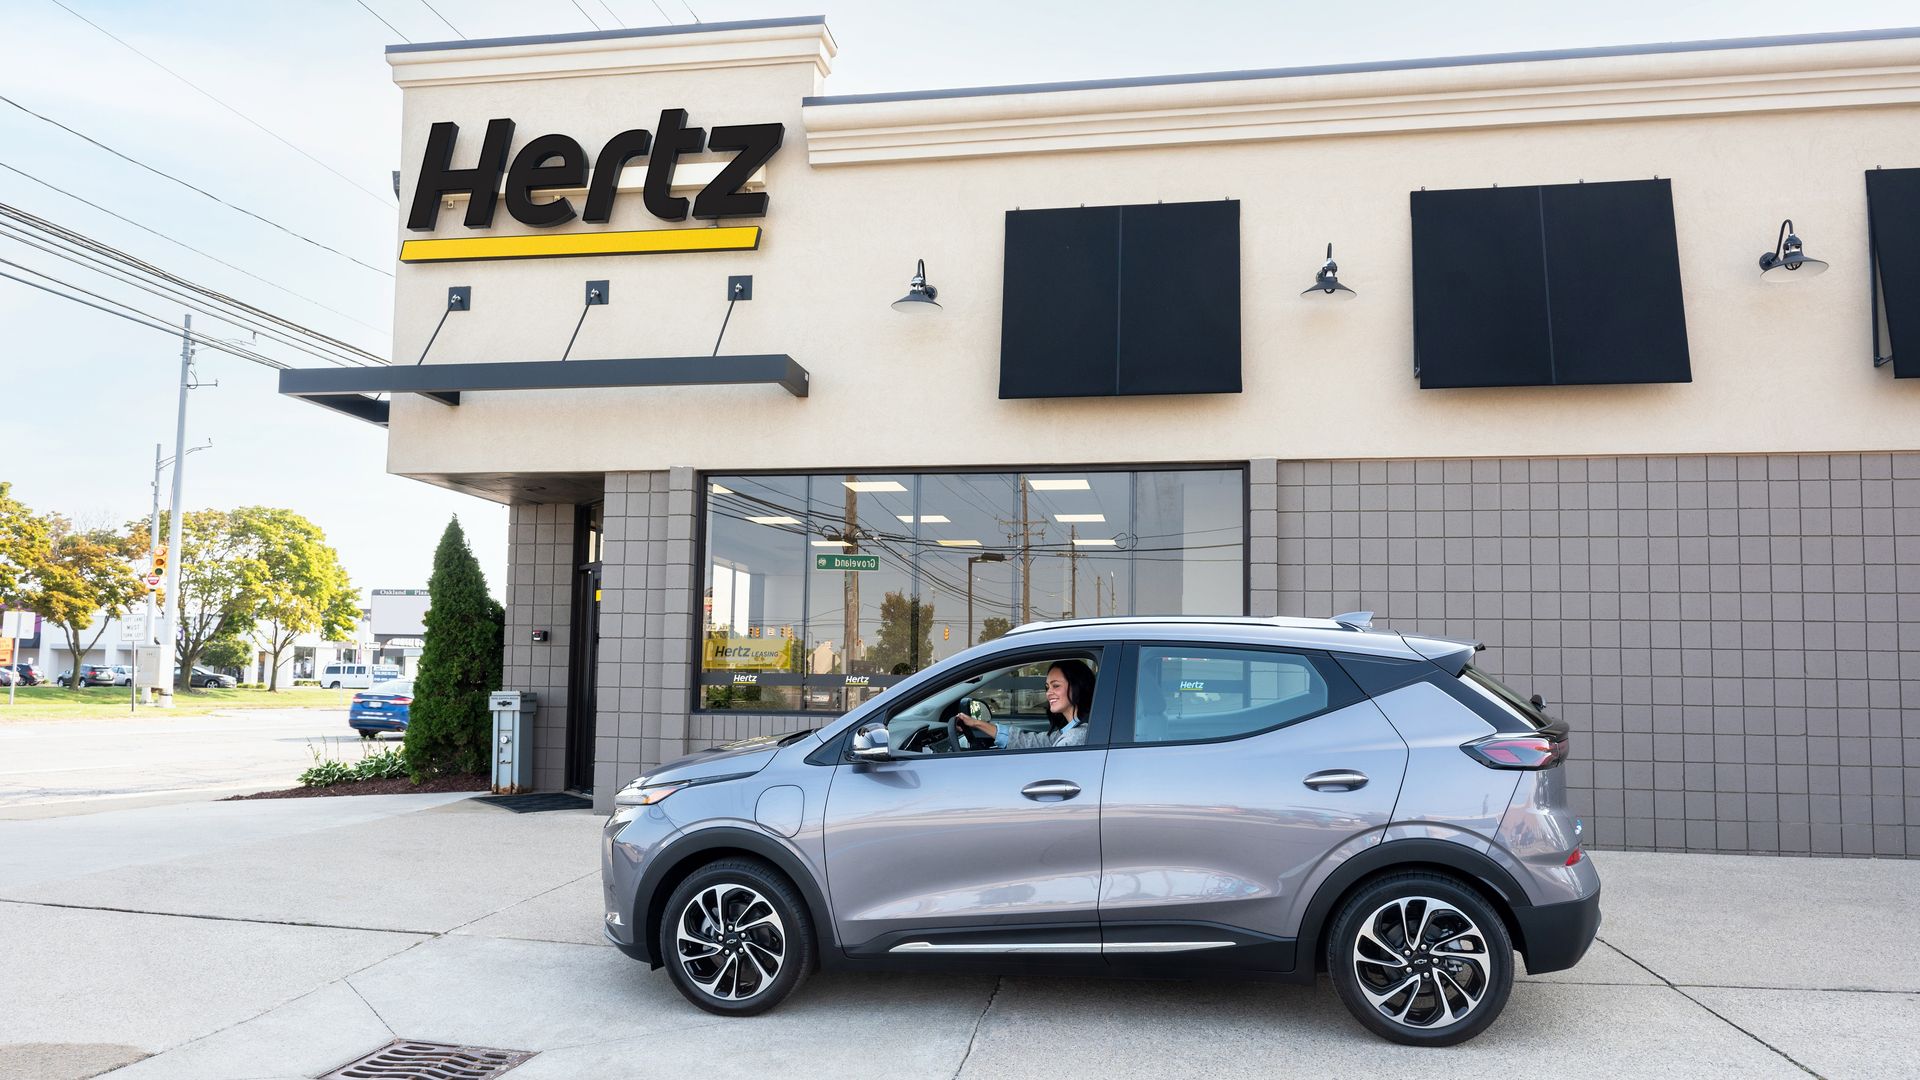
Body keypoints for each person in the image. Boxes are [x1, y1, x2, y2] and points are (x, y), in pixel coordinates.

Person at [954, 659, 1095, 750]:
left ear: (1078, 687)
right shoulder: (1068, 732)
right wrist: (976, 723)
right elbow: (1029, 741)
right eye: (1047, 687)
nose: (1048, 693)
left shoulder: (1073, 740)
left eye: (1056, 686)